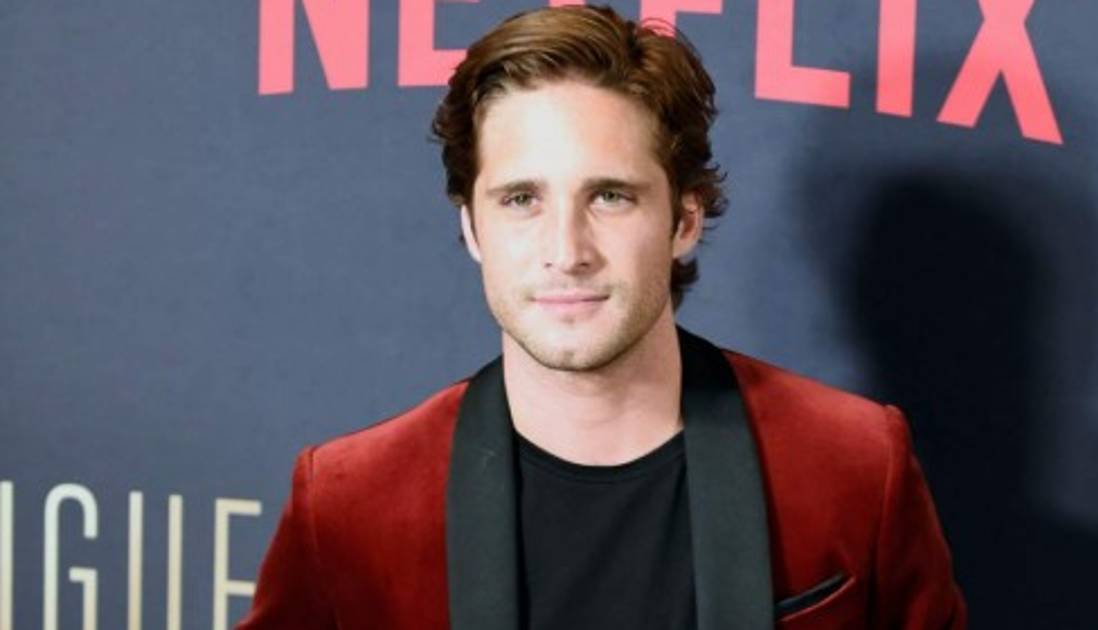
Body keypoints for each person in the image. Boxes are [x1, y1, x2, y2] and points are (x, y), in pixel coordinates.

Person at [237, 5, 966, 629]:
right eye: (521, 199)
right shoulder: (349, 505)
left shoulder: (854, 466)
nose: (567, 251)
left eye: (610, 197)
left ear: (684, 219)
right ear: (472, 228)